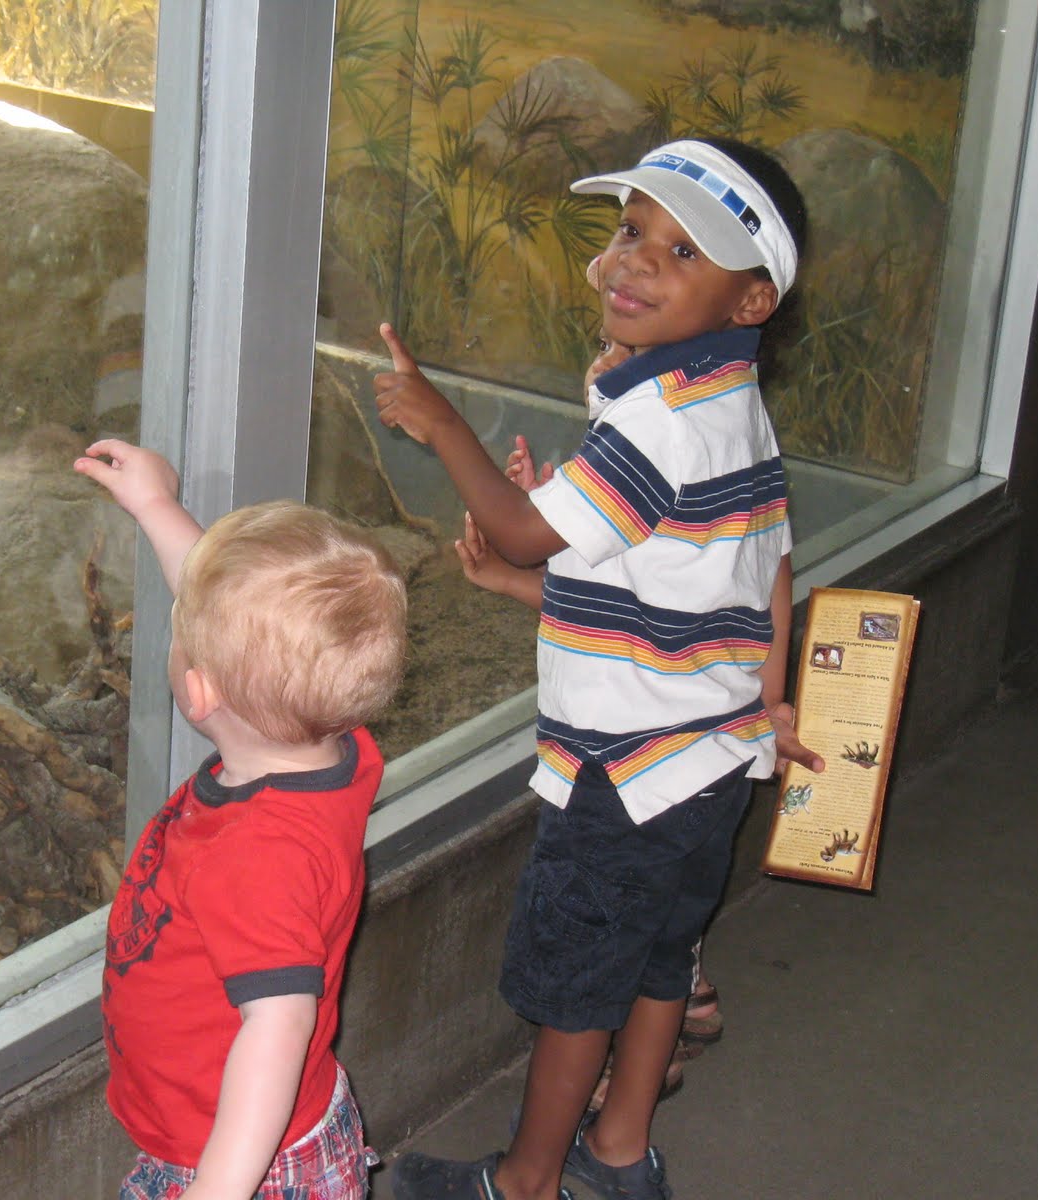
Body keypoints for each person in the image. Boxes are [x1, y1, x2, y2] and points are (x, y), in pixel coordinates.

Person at [372, 137, 825, 1200]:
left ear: (750, 300)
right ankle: (619, 1150)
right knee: (662, 956)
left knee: (577, 985)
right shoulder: (730, 405)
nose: (637, 259)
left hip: (622, 776)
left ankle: (526, 1181)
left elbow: (523, 528)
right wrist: (768, 700)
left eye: (682, 251)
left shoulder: (658, 424)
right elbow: (742, 575)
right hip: (710, 760)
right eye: (631, 230)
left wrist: (442, 424)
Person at [74, 439, 408, 1200]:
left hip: (237, 1163)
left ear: (199, 694)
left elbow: (277, 1028)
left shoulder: (256, 853)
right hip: (265, 1129)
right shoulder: (333, 745)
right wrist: (156, 506)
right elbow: (240, 623)